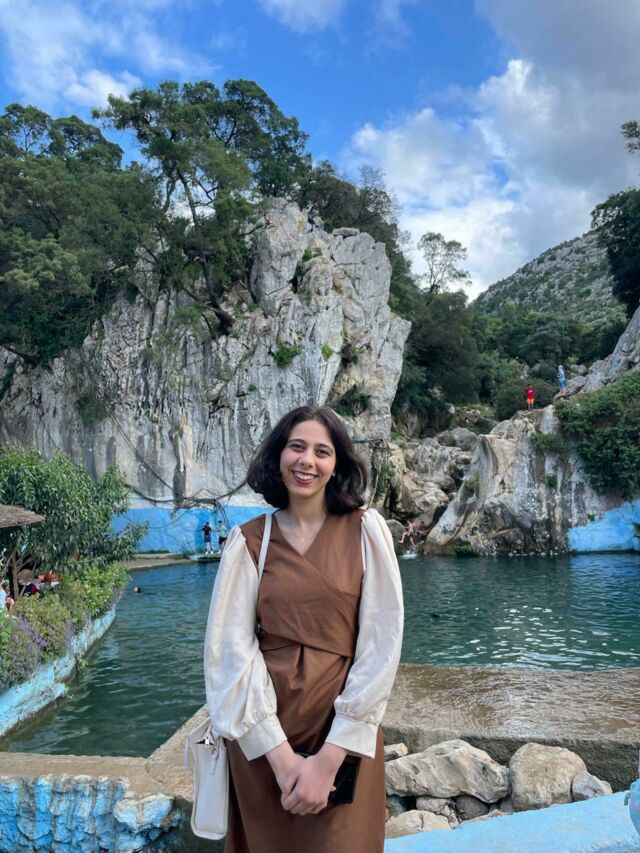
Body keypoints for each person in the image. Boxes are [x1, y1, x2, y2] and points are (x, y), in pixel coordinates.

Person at [203, 405, 404, 853]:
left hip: (342, 737)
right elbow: (229, 653)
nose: (307, 461)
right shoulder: (250, 541)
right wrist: (281, 759)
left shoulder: (366, 530)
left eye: (321, 451)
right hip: (264, 740)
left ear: (337, 465)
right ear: (279, 456)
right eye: (296, 447)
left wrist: (330, 758)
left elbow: (381, 646)